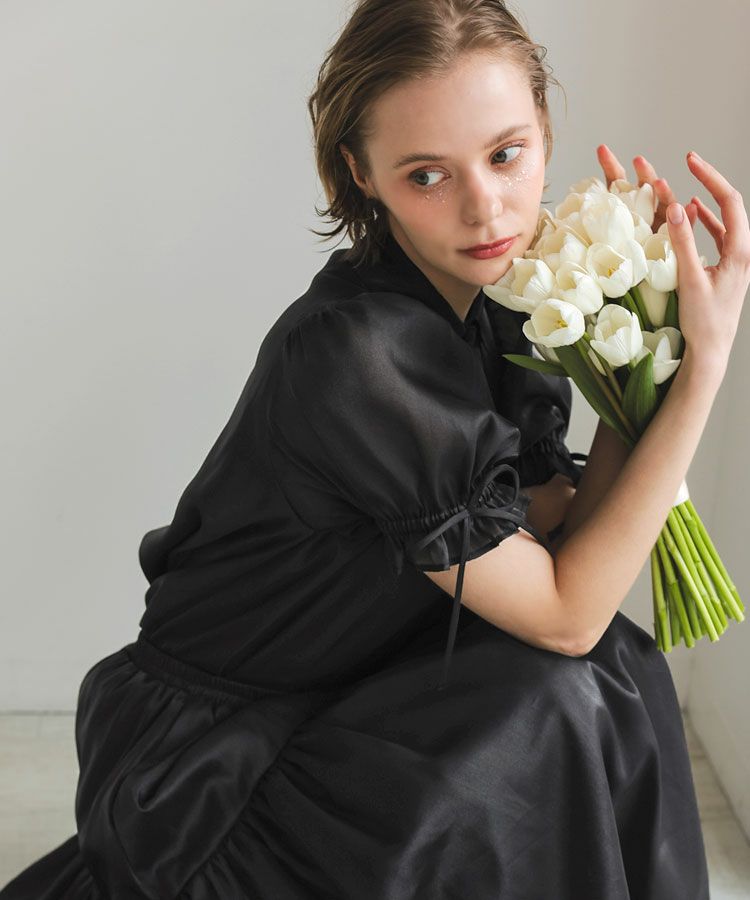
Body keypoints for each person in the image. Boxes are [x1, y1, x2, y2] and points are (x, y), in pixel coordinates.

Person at [3, 0, 749, 897]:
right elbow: (566, 612)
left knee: (615, 666)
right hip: (213, 767)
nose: (485, 207)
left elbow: (566, 537)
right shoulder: (358, 355)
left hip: (365, 676)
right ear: (361, 174)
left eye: (506, 154)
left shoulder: (504, 302)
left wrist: (642, 348)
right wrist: (698, 371)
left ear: (544, 129)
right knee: (563, 686)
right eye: (427, 174)